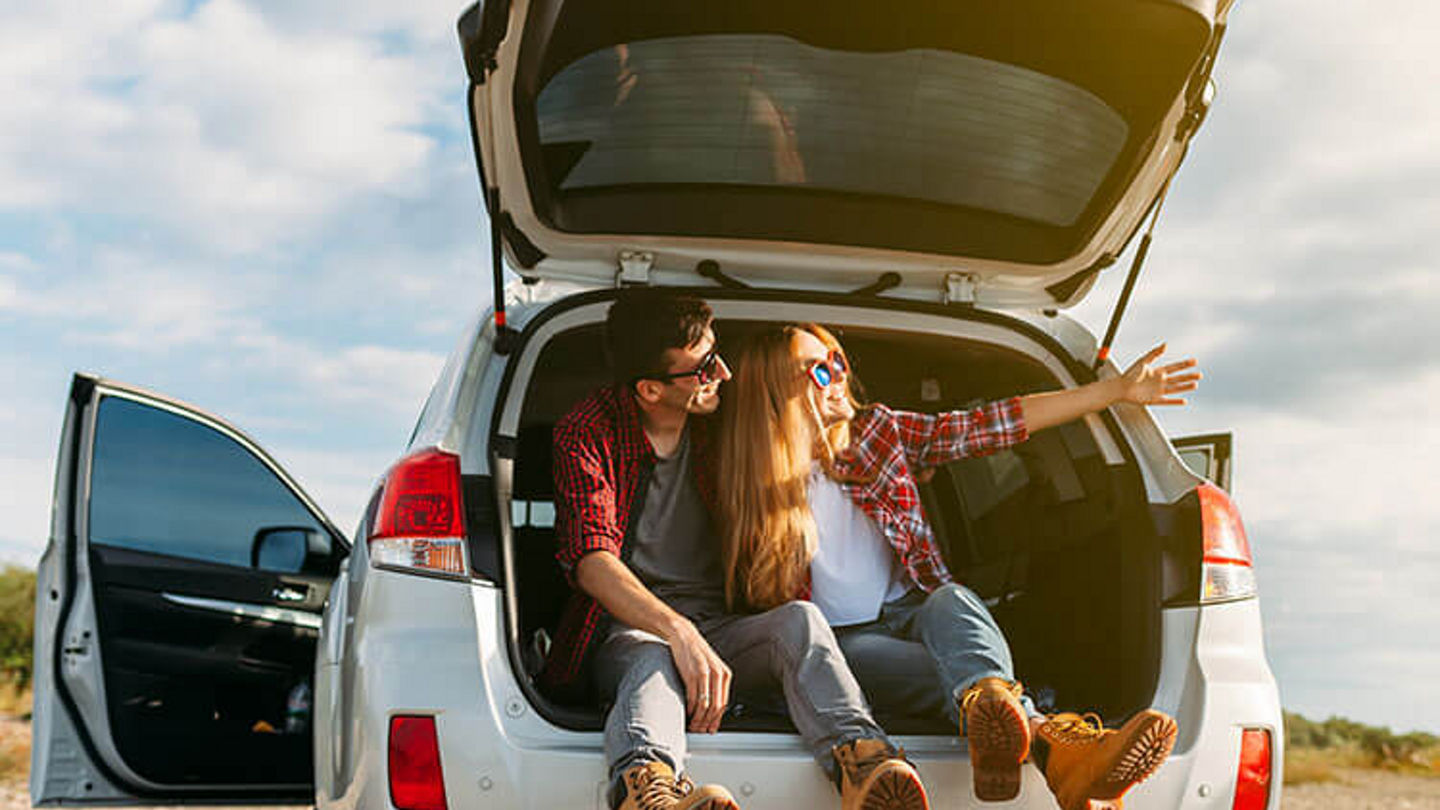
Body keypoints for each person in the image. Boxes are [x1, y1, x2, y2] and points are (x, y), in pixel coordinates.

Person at [716, 323, 1200, 810]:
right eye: (821, 370)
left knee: (954, 601)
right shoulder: (741, 474)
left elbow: (986, 426)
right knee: (960, 675)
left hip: (912, 612)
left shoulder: (878, 435)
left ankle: (1005, 719)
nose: (840, 376)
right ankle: (1058, 752)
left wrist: (1113, 392)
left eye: (839, 361)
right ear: (775, 386)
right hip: (840, 648)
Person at [539, 293, 929, 810]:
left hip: (722, 625)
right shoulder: (589, 431)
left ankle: (864, 765)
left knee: (800, 621)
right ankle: (648, 791)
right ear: (651, 389)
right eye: (703, 368)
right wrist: (679, 632)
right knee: (653, 656)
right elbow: (593, 560)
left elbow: (796, 423)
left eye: (716, 354)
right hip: (626, 627)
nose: (722, 372)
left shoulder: (721, 424)